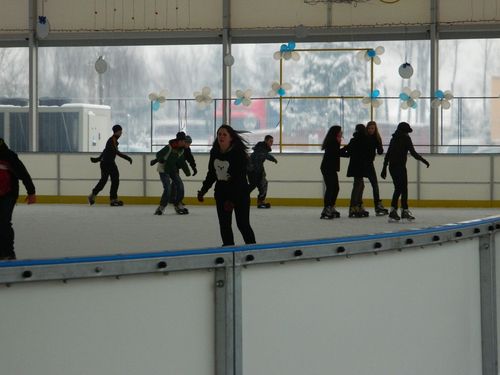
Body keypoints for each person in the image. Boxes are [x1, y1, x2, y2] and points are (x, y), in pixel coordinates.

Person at [197, 124, 256, 246]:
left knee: (242, 224)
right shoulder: (214, 152)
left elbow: (239, 179)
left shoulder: (238, 154)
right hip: (221, 194)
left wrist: (232, 199)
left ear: (231, 138)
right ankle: (228, 249)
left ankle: (252, 248)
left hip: (240, 194)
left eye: (224, 134)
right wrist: (203, 190)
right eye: (219, 134)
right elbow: (212, 173)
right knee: (224, 225)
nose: (221, 136)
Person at [381, 121, 430, 221]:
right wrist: (423, 160)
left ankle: (395, 211)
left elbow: (388, 155)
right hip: (400, 167)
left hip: (392, 167)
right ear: (404, 131)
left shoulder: (393, 138)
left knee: (398, 189)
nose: (408, 133)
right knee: (403, 189)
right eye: (407, 131)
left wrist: (384, 168)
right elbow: (413, 152)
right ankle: (402, 211)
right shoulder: (406, 138)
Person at [0, 138, 36, 260]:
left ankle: (9, 253)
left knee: (4, 222)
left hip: (8, 194)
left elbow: (23, 174)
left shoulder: (9, 156)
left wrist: (31, 192)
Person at [88, 124, 132, 206]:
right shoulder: (112, 140)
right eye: (120, 131)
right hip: (108, 163)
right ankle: (113, 199)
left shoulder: (112, 140)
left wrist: (98, 159)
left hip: (106, 162)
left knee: (105, 181)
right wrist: (127, 158)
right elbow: (116, 152)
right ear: (117, 131)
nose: (121, 133)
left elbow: (105, 150)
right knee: (115, 179)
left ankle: (93, 195)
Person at [153, 132, 191, 215]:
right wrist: (161, 159)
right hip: (163, 170)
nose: (184, 143)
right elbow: (158, 154)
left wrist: (187, 171)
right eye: (183, 141)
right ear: (179, 141)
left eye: (184, 141)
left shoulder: (181, 150)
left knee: (180, 185)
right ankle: (161, 207)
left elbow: (182, 162)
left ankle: (178, 204)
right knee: (168, 188)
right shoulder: (169, 147)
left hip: (172, 169)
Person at [343, 124, 370, 218]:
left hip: (355, 165)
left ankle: (357, 205)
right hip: (361, 166)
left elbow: (348, 151)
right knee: (359, 185)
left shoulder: (354, 140)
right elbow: (368, 153)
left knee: (359, 185)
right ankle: (354, 206)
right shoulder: (366, 140)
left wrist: (339, 152)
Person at [320, 125, 345, 219]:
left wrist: (346, 150)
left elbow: (338, 153)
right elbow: (337, 153)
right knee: (331, 187)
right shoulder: (332, 141)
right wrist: (347, 149)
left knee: (336, 188)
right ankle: (327, 208)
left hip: (331, 168)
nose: (341, 132)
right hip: (327, 167)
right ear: (335, 132)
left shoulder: (335, 141)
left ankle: (331, 206)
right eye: (340, 131)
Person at [168, 133, 197, 213]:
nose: (188, 145)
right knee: (177, 184)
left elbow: (190, 159)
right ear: (184, 142)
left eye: (189, 144)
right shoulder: (176, 147)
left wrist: (194, 168)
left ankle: (175, 199)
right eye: (188, 143)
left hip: (176, 167)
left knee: (176, 184)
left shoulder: (187, 149)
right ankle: (175, 200)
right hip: (171, 167)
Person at [248, 135, 278, 209]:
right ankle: (240, 198)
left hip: (258, 170)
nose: (271, 143)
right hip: (253, 170)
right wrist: (273, 159)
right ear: (266, 141)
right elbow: (265, 155)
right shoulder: (261, 149)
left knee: (263, 184)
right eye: (270, 141)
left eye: (272, 141)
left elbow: (265, 155)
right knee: (253, 185)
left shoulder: (262, 148)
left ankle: (261, 202)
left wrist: (273, 159)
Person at [366, 121, 388, 216]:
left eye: (372, 128)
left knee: (375, 185)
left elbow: (379, 152)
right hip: (363, 164)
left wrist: (379, 143)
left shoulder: (376, 138)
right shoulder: (364, 138)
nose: (371, 130)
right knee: (359, 185)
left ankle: (377, 205)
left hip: (370, 164)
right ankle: (355, 205)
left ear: (375, 129)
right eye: (369, 128)